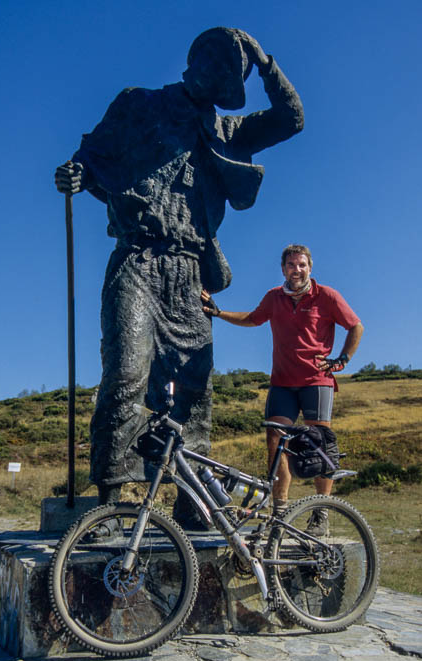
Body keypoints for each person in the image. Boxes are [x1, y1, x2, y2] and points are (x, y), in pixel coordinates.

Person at [54, 27, 304, 523]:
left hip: (191, 273)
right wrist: (76, 175)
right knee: (126, 371)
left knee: (196, 387)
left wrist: (262, 58)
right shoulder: (138, 104)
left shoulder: (228, 133)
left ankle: (192, 502)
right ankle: (111, 501)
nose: (225, 93)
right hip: (138, 260)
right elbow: (90, 156)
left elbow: (290, 119)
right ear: (197, 70)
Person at [202, 244, 363, 535]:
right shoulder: (274, 297)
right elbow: (252, 318)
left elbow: (356, 326)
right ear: (283, 269)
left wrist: (342, 359)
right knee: (276, 444)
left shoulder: (326, 296)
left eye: (301, 265)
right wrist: (219, 312)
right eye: (291, 265)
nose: (296, 270)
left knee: (320, 447)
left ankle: (320, 515)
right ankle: (280, 514)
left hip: (316, 381)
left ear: (310, 268)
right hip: (282, 383)